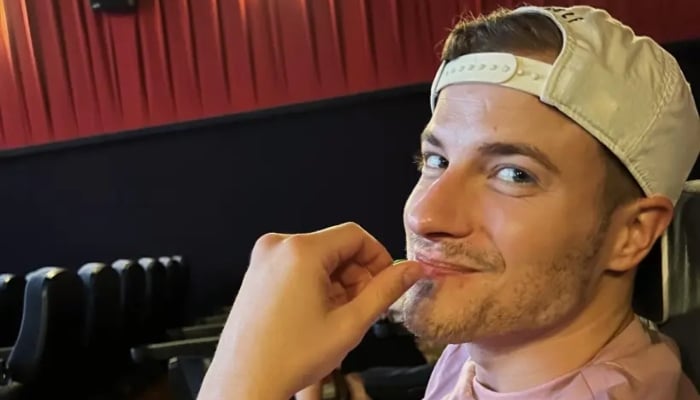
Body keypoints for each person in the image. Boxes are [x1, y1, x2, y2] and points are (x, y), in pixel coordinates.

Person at [198, 4, 700, 400]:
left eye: (514, 174)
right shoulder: (491, 351)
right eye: (435, 160)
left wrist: (240, 381)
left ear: (632, 234)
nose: (425, 215)